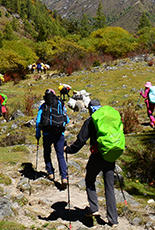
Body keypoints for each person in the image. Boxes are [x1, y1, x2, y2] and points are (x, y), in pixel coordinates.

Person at [65, 98, 121, 227]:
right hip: (110, 155)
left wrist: (68, 149)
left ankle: (94, 208)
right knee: (109, 187)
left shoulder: (90, 121)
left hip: (96, 156)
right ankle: (113, 220)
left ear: (90, 110)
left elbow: (80, 141)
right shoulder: (109, 119)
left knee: (90, 180)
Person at [35, 89, 69, 188]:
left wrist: (38, 135)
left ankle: (50, 173)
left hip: (47, 133)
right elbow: (67, 119)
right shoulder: (61, 105)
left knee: (47, 153)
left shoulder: (43, 106)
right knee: (60, 155)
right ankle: (64, 176)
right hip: (59, 134)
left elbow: (38, 122)